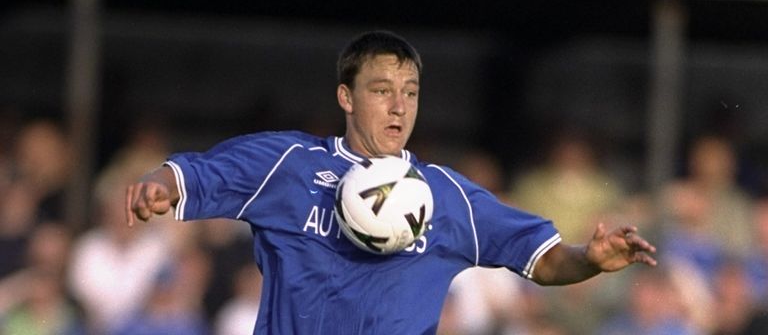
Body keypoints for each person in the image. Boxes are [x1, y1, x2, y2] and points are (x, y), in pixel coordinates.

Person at [126, 30, 656, 334]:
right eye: (381, 89)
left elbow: (541, 258)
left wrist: (590, 257)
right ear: (346, 97)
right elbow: (191, 172)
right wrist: (157, 186)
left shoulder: (448, 197)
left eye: (411, 91)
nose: (399, 105)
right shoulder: (288, 164)